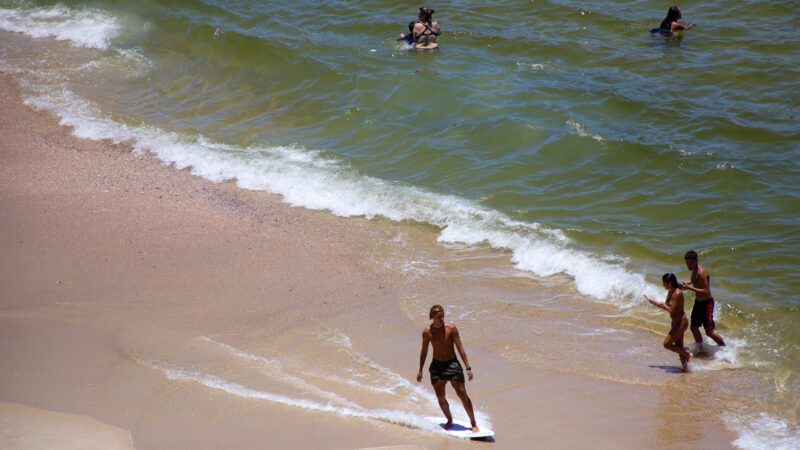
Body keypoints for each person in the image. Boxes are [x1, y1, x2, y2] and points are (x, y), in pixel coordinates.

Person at [417, 304, 478, 432]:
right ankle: (449, 420)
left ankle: (473, 423)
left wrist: (468, 367)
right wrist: (420, 370)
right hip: (437, 366)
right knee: (440, 396)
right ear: (432, 316)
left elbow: (460, 348)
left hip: (452, 364)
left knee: (462, 394)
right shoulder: (427, 332)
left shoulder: (451, 329)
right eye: (439, 316)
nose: (442, 318)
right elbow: (424, 351)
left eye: (443, 316)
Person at [645, 273, 693, 372]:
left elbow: (671, 310)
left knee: (667, 344)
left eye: (664, 283)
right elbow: (666, 306)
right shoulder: (670, 292)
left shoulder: (678, 293)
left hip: (681, 322)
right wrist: (653, 302)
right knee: (679, 348)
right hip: (675, 322)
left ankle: (688, 354)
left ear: (670, 283)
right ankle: (686, 370)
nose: (663, 285)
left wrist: (663, 305)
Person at [682, 250, 726, 347]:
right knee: (693, 327)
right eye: (687, 263)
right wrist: (688, 283)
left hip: (707, 304)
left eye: (691, 263)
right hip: (698, 303)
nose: (689, 266)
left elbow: (706, 291)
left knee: (709, 332)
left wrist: (689, 288)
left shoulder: (702, 273)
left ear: (697, 260)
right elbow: (695, 280)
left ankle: (724, 348)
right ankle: (700, 347)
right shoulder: (694, 271)